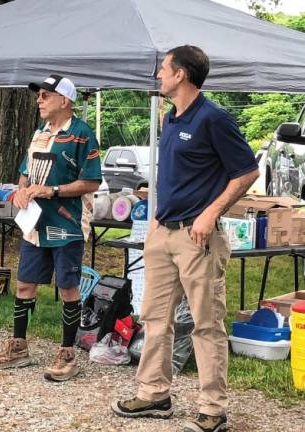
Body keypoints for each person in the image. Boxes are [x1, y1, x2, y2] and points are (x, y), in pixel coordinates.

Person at [111, 46, 258, 432]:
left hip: (197, 236)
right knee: (155, 318)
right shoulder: (170, 119)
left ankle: (213, 408)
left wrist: (211, 214)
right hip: (164, 233)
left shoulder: (214, 119)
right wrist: (157, 221)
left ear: (181, 76)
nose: (158, 75)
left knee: (206, 324)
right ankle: (154, 394)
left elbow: (246, 172)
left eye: (164, 69)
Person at [0, 75, 101, 382]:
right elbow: (25, 172)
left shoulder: (82, 134)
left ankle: (66, 352)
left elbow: (91, 181)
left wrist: (53, 191)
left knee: (68, 288)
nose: (39, 100)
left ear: (65, 100)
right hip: (34, 224)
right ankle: (19, 346)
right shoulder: (39, 133)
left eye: (46, 95)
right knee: (24, 284)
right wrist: (21, 190)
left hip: (68, 224)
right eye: (39, 95)